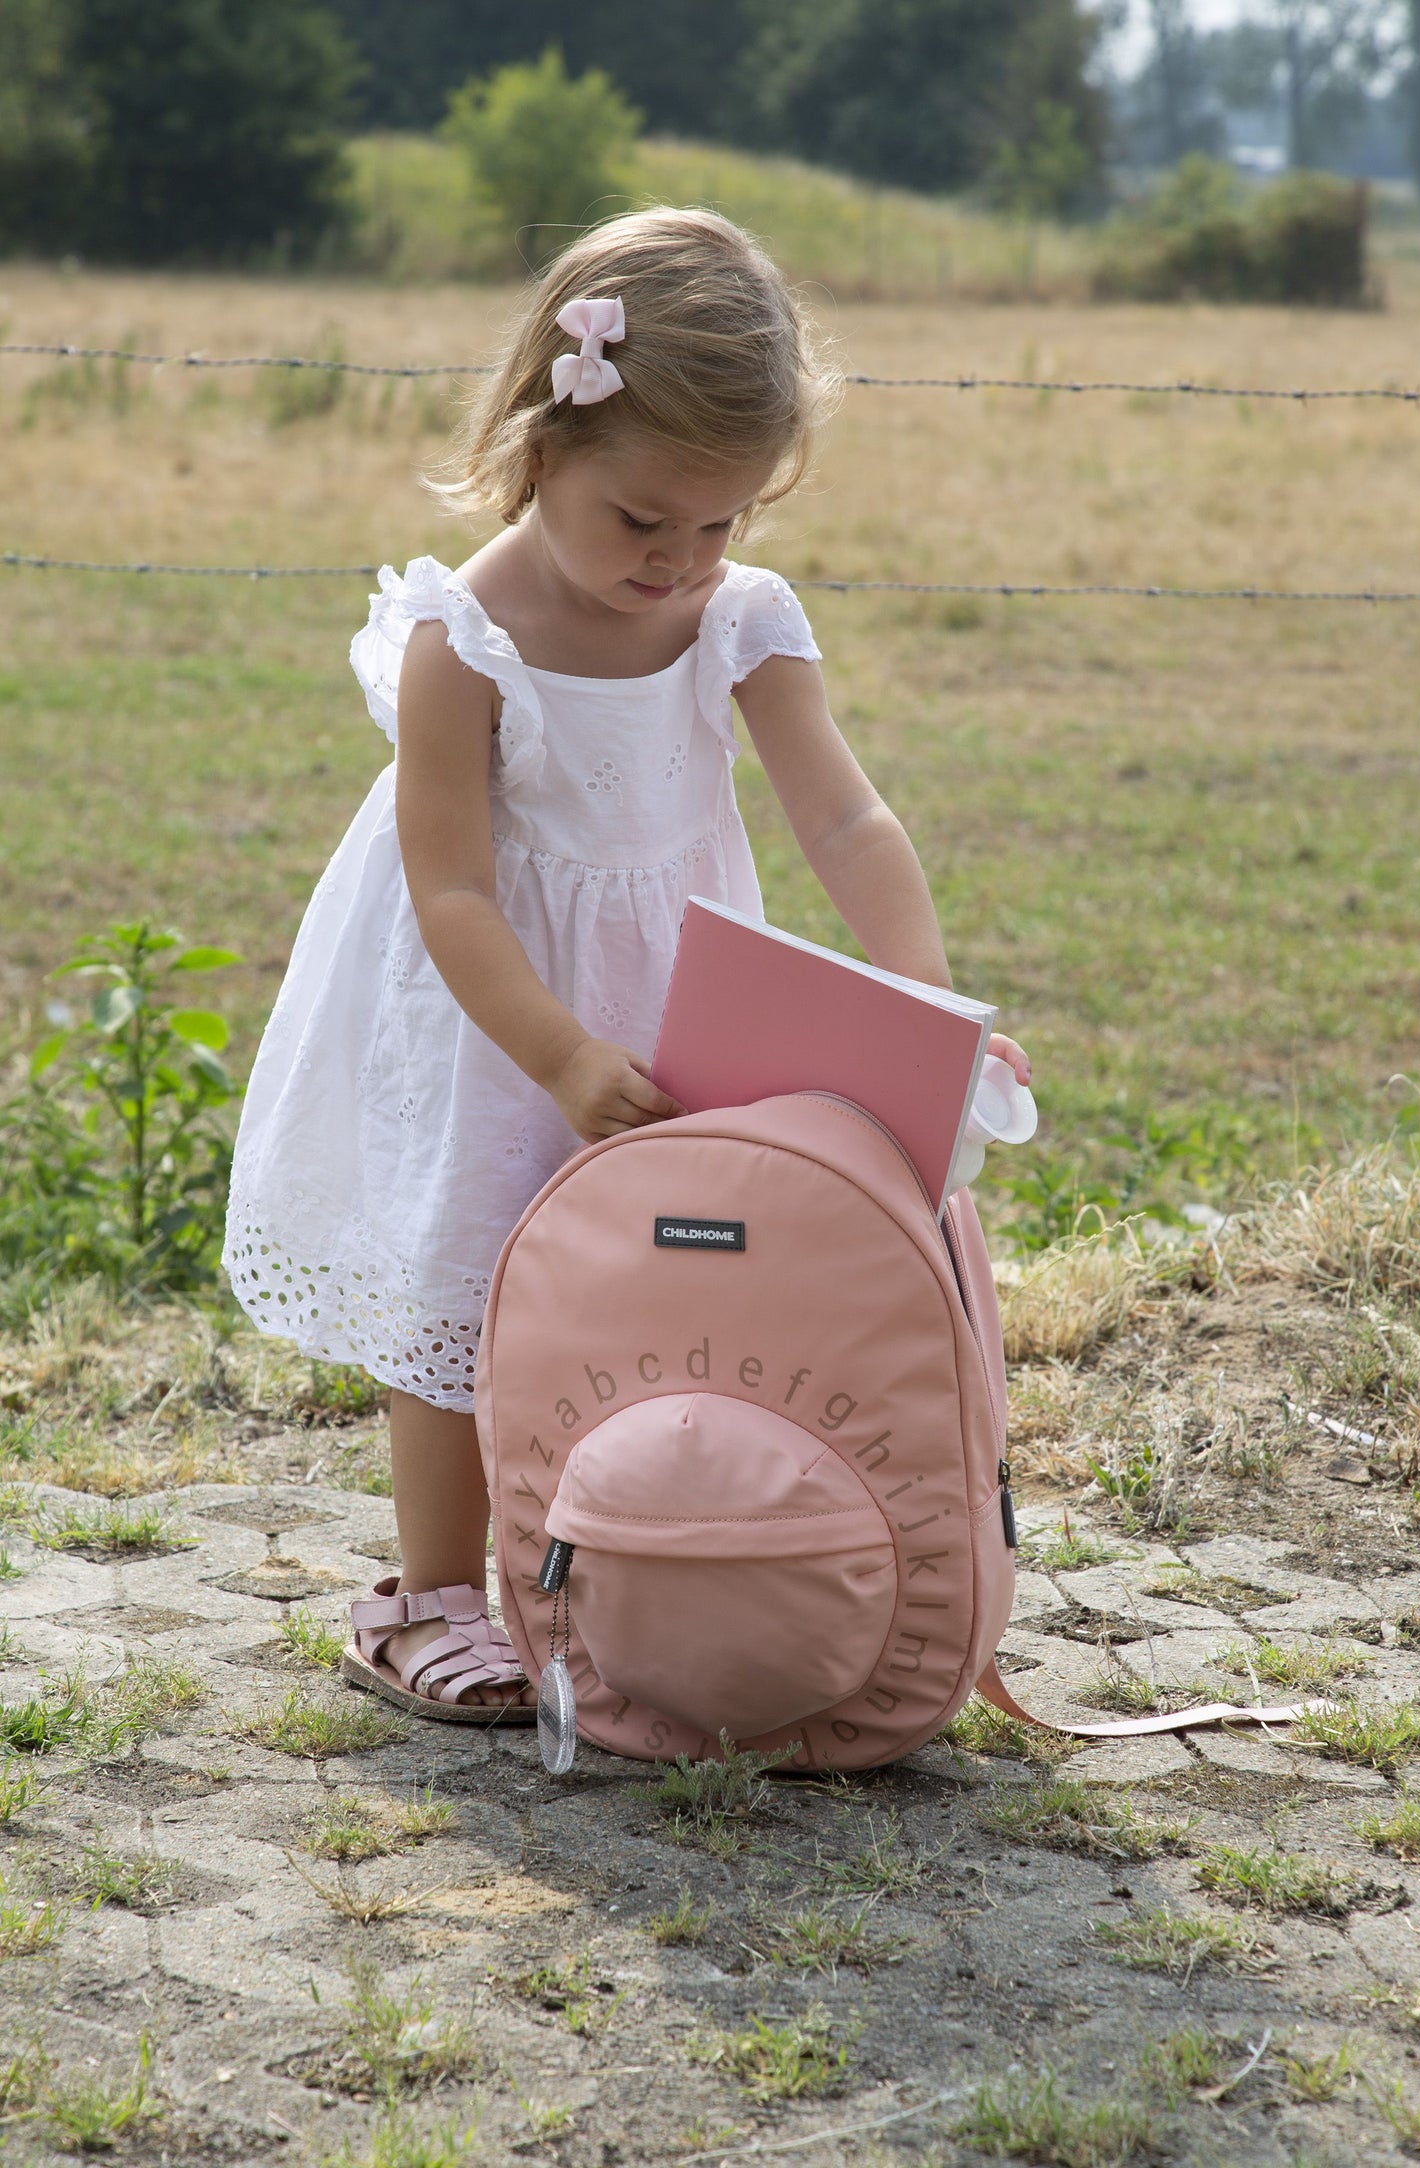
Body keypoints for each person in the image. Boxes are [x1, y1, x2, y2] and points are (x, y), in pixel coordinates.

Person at [223, 206, 1030, 1722]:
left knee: (665, 1268)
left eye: (719, 525)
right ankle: (429, 1595)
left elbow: (844, 819)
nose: (679, 562)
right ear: (541, 450)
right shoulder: (461, 639)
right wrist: (556, 1054)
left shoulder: (739, 622)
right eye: (643, 521)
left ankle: (621, 1556)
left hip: (673, 993)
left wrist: (927, 1006)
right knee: (463, 1285)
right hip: (494, 1014)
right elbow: (451, 887)